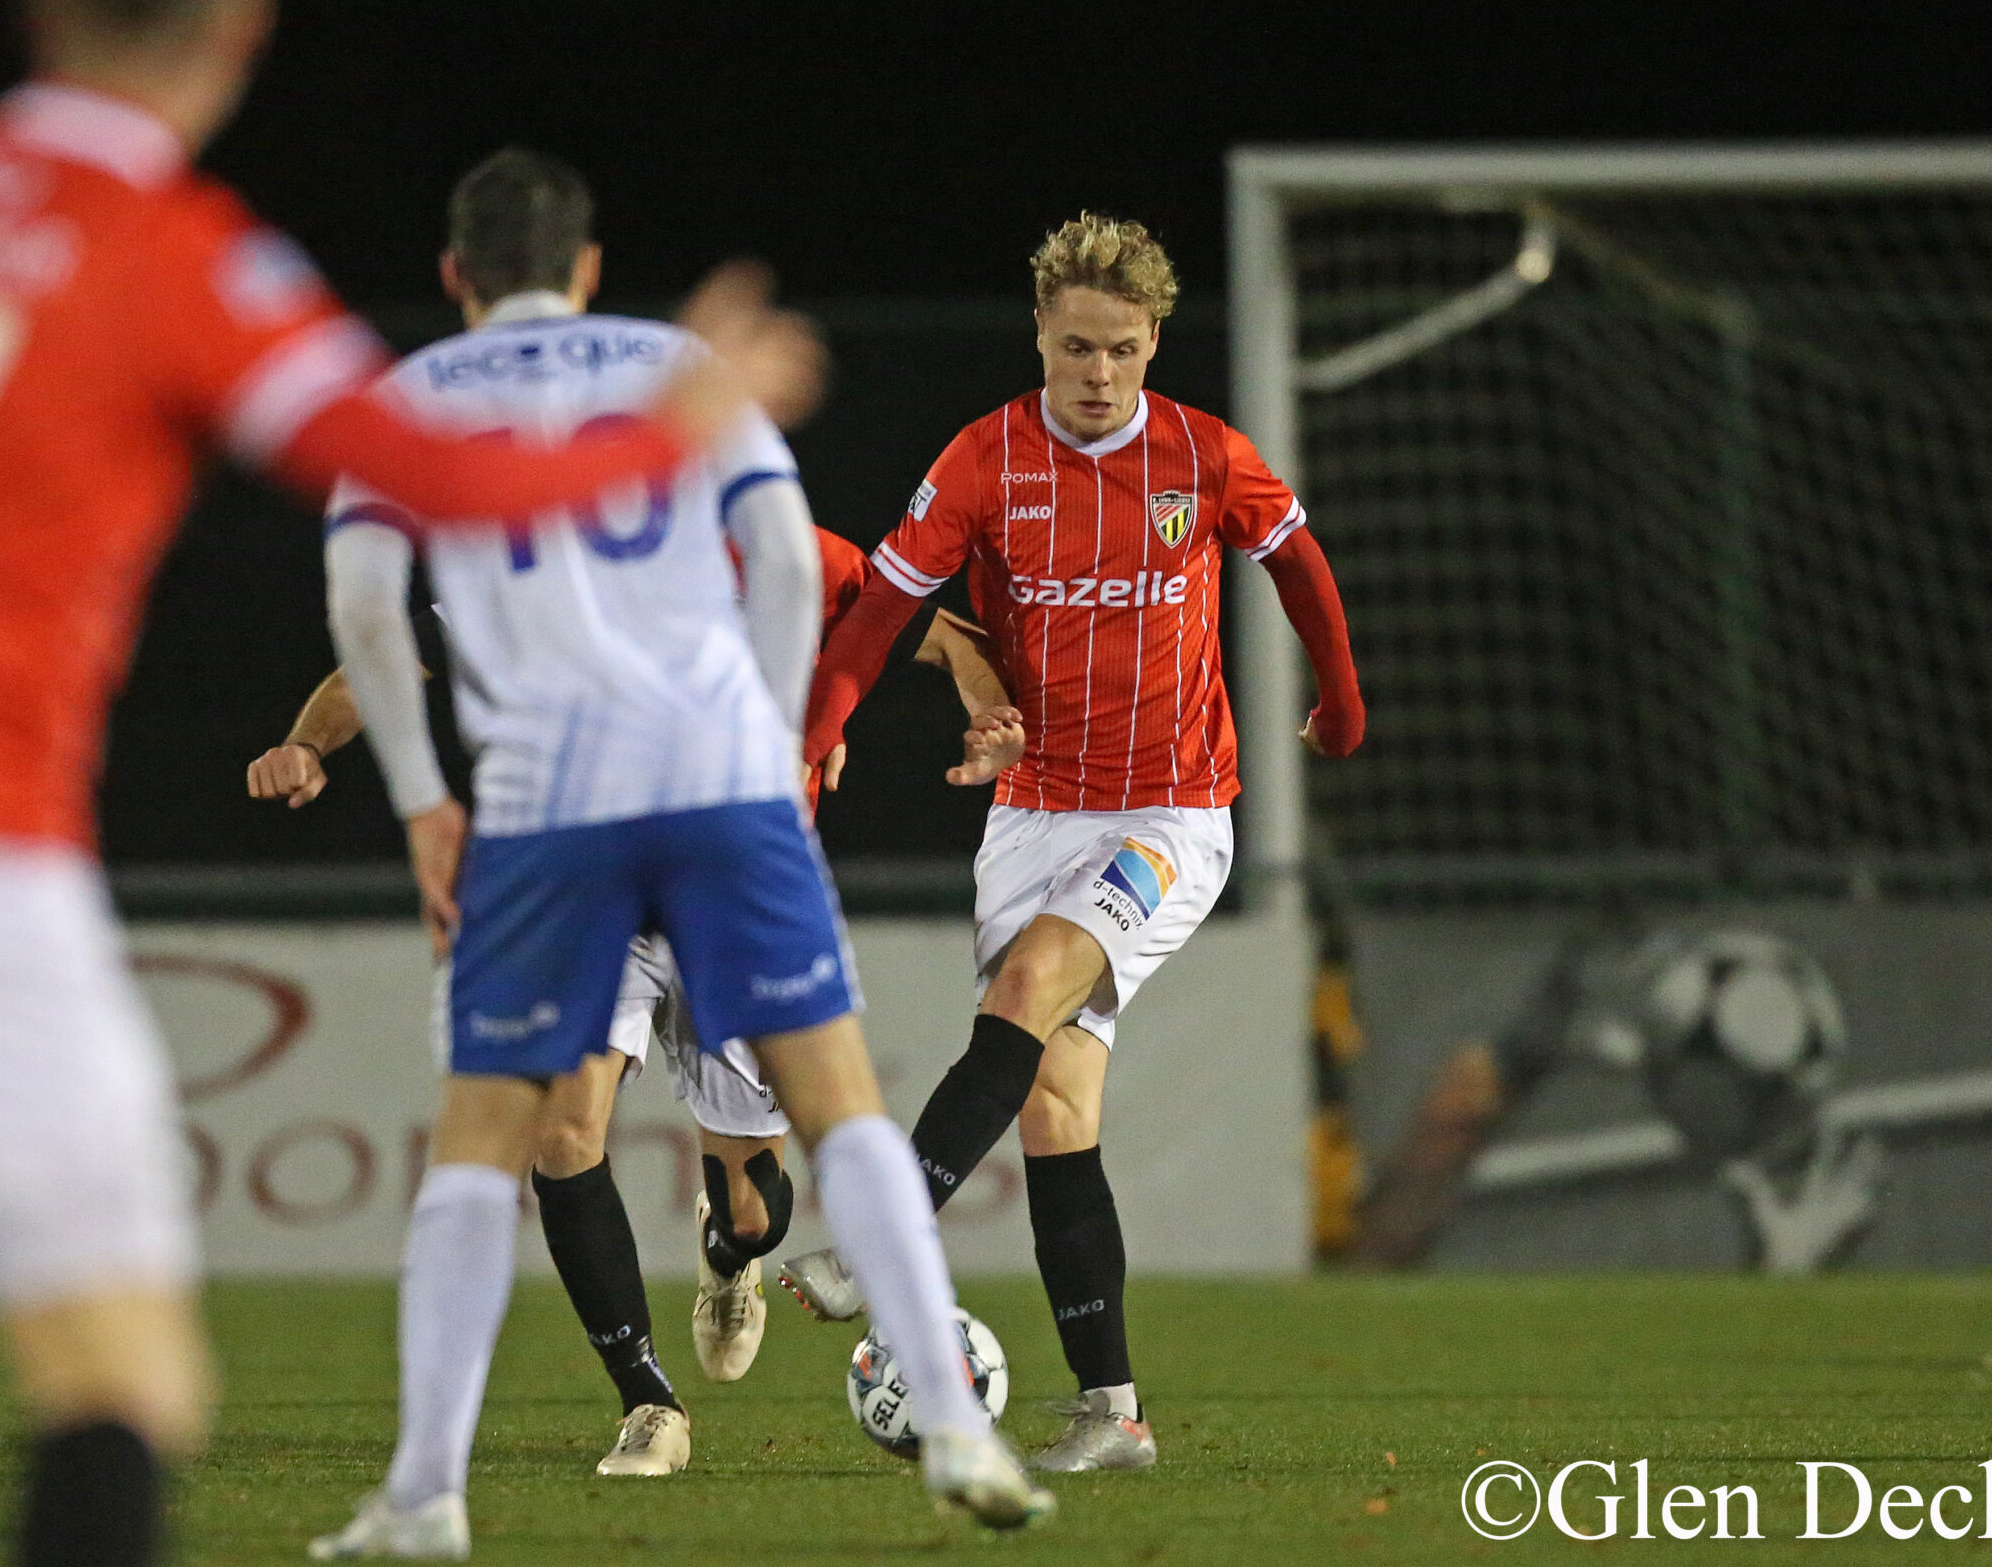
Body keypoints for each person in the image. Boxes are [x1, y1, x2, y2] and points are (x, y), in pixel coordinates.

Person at [0, 0, 821, 1565]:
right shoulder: (172, 252)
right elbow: (441, 485)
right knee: (120, 1370)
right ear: (240, 36)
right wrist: (679, 418)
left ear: (37, 14)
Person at [303, 148, 1054, 1557]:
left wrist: (419, 796)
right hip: (718, 786)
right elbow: (783, 557)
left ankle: (422, 1496)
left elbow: (365, 610)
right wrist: (773, 739)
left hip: (547, 805)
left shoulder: (407, 400)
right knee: (838, 1102)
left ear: (457, 275)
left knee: (484, 1145)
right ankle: (954, 1418)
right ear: (588, 266)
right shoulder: (676, 363)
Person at [781, 212, 1367, 1474]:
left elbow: (1299, 560)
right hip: (1035, 813)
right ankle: (1113, 1412)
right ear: (1039, 340)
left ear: (1153, 342)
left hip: (1170, 811)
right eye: (1073, 348)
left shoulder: (1202, 455)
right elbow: (883, 607)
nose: (1096, 373)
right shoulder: (986, 460)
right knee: (1054, 1107)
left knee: (1027, 985)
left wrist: (1340, 692)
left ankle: (881, 1246)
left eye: (1120, 348)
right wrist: (817, 724)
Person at [248, 529, 1021, 1479]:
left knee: (755, 1212)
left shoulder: (798, 554)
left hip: (735, 897)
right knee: (562, 1132)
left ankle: (727, 1253)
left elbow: (934, 630)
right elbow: (395, 651)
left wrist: (986, 712)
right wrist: (303, 741)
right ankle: (649, 1402)